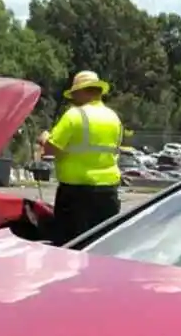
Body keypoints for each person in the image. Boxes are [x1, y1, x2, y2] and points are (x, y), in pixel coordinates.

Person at [40, 70, 123, 245]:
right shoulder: (114, 118)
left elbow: (50, 149)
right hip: (108, 193)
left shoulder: (74, 115)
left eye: (75, 93)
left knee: (71, 245)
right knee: (103, 245)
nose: (73, 98)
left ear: (82, 91)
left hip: (76, 194)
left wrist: (44, 139)